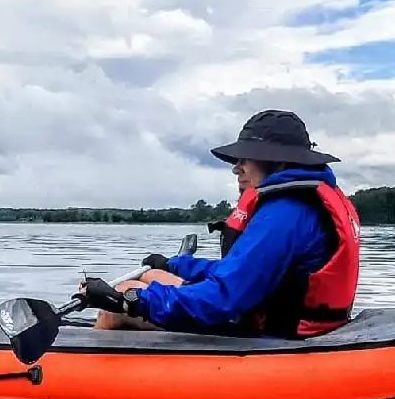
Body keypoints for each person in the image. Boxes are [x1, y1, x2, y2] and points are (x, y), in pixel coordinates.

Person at [80, 109, 360, 338]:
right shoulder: (298, 204)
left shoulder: (285, 214)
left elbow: (225, 299)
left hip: (273, 331)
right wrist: (176, 265)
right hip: (267, 312)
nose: (237, 167)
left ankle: (82, 374)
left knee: (118, 301)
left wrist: (130, 301)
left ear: (275, 160)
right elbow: (237, 271)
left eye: (245, 158)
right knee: (151, 276)